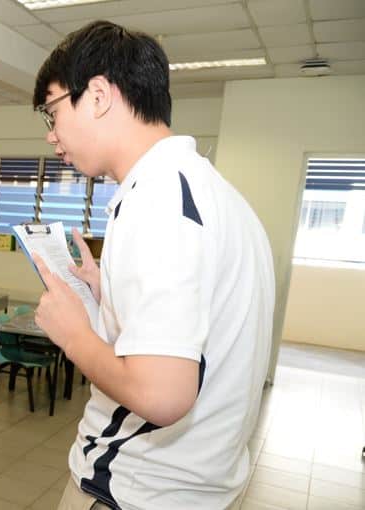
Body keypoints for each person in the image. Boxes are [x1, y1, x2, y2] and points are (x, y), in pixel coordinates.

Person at [29, 21, 275, 509]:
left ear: (97, 95)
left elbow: (162, 395)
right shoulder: (209, 192)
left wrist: (74, 334)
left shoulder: (156, 200)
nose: (53, 138)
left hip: (133, 490)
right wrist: (110, 293)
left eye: (53, 113)